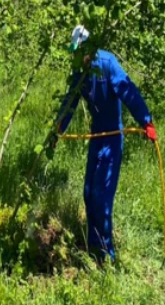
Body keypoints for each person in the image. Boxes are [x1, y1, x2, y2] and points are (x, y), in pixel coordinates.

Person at [47, 24, 156, 264]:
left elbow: (129, 91)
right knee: (88, 194)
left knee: (101, 198)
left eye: (79, 51)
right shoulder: (79, 72)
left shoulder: (108, 63)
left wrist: (146, 120)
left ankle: (108, 257)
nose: (77, 56)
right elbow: (69, 102)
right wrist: (56, 132)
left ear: (89, 47)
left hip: (112, 138)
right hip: (96, 137)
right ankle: (93, 246)